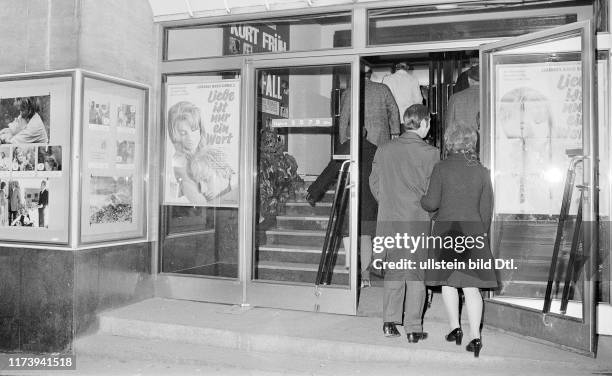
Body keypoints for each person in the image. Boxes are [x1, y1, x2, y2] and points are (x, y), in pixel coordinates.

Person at [312, 68, 400, 288]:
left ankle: (353, 267)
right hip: (379, 146)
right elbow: (394, 112)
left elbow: (343, 119)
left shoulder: (350, 91)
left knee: (353, 220)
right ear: (372, 75)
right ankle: (367, 271)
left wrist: (345, 144)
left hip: (353, 150)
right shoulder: (383, 89)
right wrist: (395, 134)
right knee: (368, 222)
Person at [420, 122, 497, 358]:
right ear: (471, 143)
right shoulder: (482, 171)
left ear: (449, 142)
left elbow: (431, 203)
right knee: (472, 288)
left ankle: (455, 328)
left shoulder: (441, 168)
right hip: (472, 233)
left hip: (447, 233)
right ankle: (475, 337)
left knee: (448, 283)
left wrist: (424, 202)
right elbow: (487, 209)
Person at [370, 104, 439, 342]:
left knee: (394, 270)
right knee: (416, 275)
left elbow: (374, 183)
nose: (429, 127)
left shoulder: (384, 149)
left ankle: (389, 323)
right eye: (429, 123)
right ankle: (413, 327)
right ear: (423, 123)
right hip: (417, 220)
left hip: (389, 219)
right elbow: (434, 194)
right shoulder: (432, 153)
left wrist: (389, 202)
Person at [445, 65, 480, 138]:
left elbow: (449, 128)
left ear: (469, 79)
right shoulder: (492, 98)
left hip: (462, 146)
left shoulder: (455, 98)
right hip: (487, 145)